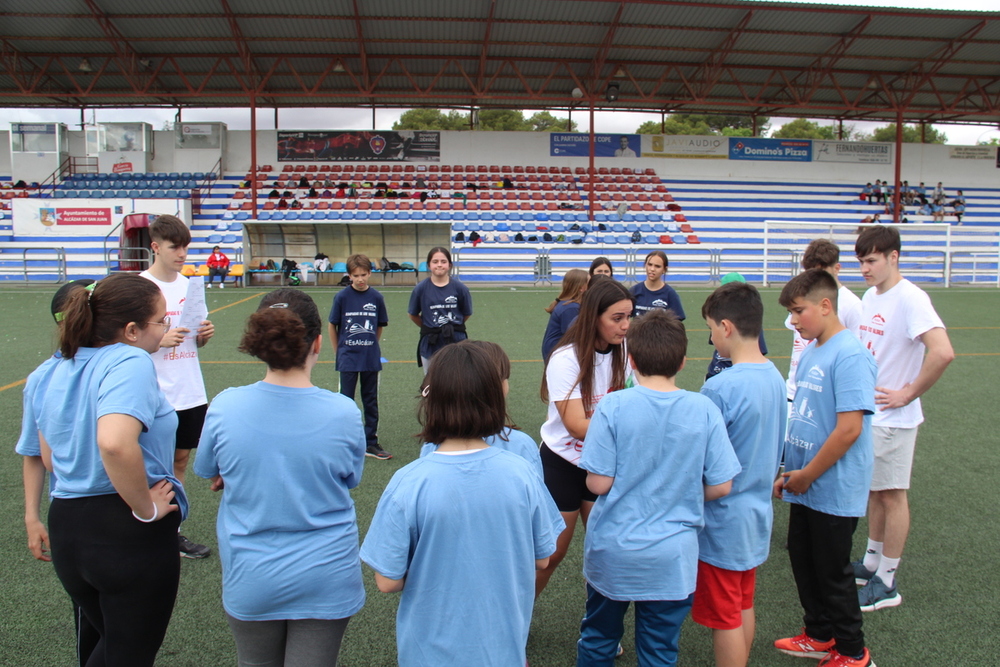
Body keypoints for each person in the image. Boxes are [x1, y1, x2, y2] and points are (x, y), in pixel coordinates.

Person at [360, 342, 564, 667]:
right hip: (502, 648)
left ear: (431, 400)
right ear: (496, 396)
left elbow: (388, 581)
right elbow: (542, 559)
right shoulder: (522, 473)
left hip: (426, 652)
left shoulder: (409, 480)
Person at [19, 273, 185, 667]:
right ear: (131, 330)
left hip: (69, 526)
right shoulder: (129, 359)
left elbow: (47, 457)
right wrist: (145, 508)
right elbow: (113, 441)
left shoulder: (52, 369)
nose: (167, 328)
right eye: (162, 320)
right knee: (127, 656)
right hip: (125, 528)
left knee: (110, 648)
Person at [195, 289, 366, 667]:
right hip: (326, 572)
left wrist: (244, 468)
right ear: (318, 342)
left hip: (252, 572)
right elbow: (350, 477)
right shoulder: (343, 412)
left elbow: (208, 469)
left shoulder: (225, 405)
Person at [578, 309, 740, 666]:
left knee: (599, 639)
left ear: (631, 358)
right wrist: (678, 491)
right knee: (659, 651)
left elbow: (598, 482)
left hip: (614, 551)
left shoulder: (613, 406)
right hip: (672, 557)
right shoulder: (704, 409)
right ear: (683, 362)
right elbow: (723, 484)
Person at [774, 269, 877, 667]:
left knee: (833, 573)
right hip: (806, 484)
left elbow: (849, 429)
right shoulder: (813, 350)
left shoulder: (850, 354)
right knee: (804, 560)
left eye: (798, 312)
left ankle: (853, 653)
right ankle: (819, 634)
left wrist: (808, 474)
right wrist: (791, 470)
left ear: (825, 305)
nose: (794, 321)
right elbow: (805, 416)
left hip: (832, 488)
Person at [852, 225, 953, 611]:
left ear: (894, 257)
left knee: (893, 495)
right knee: (877, 492)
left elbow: (942, 352)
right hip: (873, 415)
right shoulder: (871, 294)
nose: (865, 268)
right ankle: (872, 562)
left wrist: (907, 392)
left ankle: (887, 582)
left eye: (872, 260)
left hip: (894, 419)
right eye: (861, 261)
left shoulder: (912, 298)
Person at [694, 284, 786, 667]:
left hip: (723, 521)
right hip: (756, 514)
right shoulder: (776, 377)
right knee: (742, 603)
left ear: (727, 327)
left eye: (712, 328)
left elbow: (704, 461)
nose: (712, 336)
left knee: (726, 619)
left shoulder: (719, 387)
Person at [17, 279, 100, 663]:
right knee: (97, 625)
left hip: (92, 516)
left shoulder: (118, 364)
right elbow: (34, 454)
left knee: (122, 624)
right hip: (81, 511)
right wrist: (32, 517)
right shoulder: (44, 377)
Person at [536, 278, 633, 598]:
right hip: (563, 462)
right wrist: (633, 422)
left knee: (608, 552)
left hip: (604, 462)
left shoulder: (626, 351)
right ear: (594, 317)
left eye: (628, 317)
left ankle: (601, 632)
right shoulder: (565, 358)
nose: (625, 326)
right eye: (617, 318)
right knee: (550, 556)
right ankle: (515, 623)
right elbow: (577, 425)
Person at [140, 214, 214, 559]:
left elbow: (194, 338)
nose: (182, 254)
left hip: (189, 388)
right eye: (175, 247)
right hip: (153, 392)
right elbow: (121, 342)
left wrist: (203, 337)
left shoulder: (190, 287)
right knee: (150, 464)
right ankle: (145, 524)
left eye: (186, 247)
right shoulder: (139, 288)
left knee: (180, 460)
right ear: (155, 247)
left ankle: (172, 531)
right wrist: (157, 339)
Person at [419, 340, 543, 478]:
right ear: (496, 387)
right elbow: (536, 492)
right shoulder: (520, 444)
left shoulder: (431, 446)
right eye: (504, 378)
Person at [329, 253, 392, 461]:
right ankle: (344, 442)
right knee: (345, 401)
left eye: (364, 274)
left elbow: (380, 326)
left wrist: (371, 344)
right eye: (356, 275)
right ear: (349, 276)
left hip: (369, 358)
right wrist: (338, 350)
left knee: (370, 400)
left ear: (370, 273)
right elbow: (332, 325)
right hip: (347, 357)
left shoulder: (376, 298)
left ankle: (370, 442)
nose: (360, 279)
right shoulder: (342, 297)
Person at [785, 240, 863, 406]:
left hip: (825, 397)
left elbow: (857, 354)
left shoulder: (851, 304)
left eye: (822, 273)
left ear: (837, 268)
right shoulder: (803, 298)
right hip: (793, 391)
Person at [408, 246, 473, 372]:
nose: (439, 265)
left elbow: (466, 314)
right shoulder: (420, 289)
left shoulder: (461, 289)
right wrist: (429, 326)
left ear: (449, 265)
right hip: (431, 341)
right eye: (435, 261)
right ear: (429, 265)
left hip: (456, 341)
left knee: (458, 380)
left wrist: (453, 326)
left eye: (443, 262)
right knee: (431, 382)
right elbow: (413, 314)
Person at [705, 273, 768, 380]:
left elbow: (759, 352)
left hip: (736, 373)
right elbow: (715, 343)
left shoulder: (751, 324)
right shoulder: (717, 318)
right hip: (717, 370)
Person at [541, 268, 589, 361]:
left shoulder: (567, 304)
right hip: (558, 355)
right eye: (590, 283)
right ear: (581, 288)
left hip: (555, 352)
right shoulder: (571, 308)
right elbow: (574, 337)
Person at [630, 250, 685, 319]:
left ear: (664, 269)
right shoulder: (634, 291)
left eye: (657, 266)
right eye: (649, 265)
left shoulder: (670, 294)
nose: (652, 269)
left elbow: (677, 321)